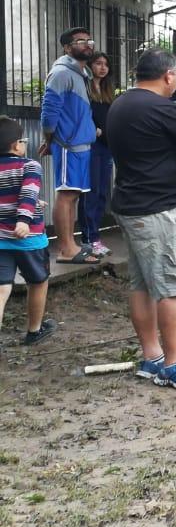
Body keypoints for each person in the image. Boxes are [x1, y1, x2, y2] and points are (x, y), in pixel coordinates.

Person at [106, 48, 176, 392]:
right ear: (169, 75)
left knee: (143, 285)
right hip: (159, 209)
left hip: (131, 203)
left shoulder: (121, 104)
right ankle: (173, 363)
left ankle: (152, 356)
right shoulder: (163, 108)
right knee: (173, 285)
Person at [38, 27, 100, 266]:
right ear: (67, 48)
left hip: (80, 144)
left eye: (88, 40)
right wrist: (50, 139)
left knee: (73, 195)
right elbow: (49, 111)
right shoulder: (62, 73)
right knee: (66, 195)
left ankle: (71, 244)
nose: (87, 44)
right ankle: (65, 248)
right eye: (80, 41)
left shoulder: (80, 73)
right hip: (68, 145)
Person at [0, 117, 58, 345]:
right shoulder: (29, 165)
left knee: (2, 287)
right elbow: (26, 194)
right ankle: (34, 330)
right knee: (38, 281)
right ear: (17, 144)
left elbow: (14, 196)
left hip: (1, 240)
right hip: (29, 240)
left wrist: (35, 203)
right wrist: (24, 219)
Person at [81, 52, 115, 257]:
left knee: (102, 192)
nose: (102, 67)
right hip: (91, 146)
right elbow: (82, 113)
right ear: (90, 66)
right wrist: (94, 129)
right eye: (98, 63)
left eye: (105, 64)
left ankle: (95, 237)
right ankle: (89, 238)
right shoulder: (84, 88)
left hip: (107, 146)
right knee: (91, 193)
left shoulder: (108, 91)